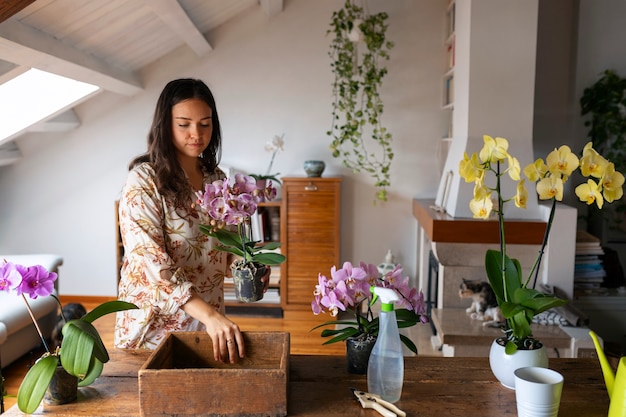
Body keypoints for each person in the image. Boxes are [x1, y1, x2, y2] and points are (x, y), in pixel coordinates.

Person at [114, 78, 269, 363]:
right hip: (153, 330)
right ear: (165, 125)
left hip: (207, 328)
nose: (196, 134)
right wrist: (209, 316)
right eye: (184, 124)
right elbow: (152, 264)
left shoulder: (217, 179)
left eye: (205, 124)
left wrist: (245, 266)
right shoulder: (144, 181)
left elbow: (226, 247)